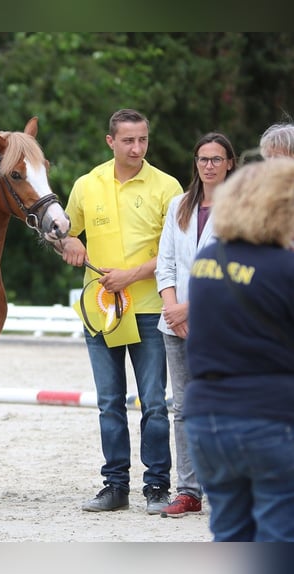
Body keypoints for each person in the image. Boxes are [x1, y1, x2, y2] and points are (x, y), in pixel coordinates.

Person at [53, 108, 182, 515]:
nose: (137, 148)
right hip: (102, 310)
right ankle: (115, 486)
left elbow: (172, 253)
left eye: (143, 139)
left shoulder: (167, 186)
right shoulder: (86, 185)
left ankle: (158, 486)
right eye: (128, 140)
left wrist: (131, 275)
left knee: (154, 403)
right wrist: (68, 243)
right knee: (108, 402)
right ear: (111, 141)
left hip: (148, 308)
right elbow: (63, 231)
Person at [184, 157, 294, 541]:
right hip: (268, 416)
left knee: (229, 536)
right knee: (279, 536)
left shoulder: (207, 261)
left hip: (206, 418)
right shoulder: (285, 267)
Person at [155, 132, 237, 519]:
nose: (209, 166)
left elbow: (233, 269)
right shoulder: (178, 206)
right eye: (203, 159)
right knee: (184, 409)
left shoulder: (241, 208)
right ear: (196, 163)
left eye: (217, 159)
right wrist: (172, 309)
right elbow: (165, 263)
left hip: (219, 324)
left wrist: (190, 308)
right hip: (176, 325)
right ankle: (188, 490)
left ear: (230, 164)